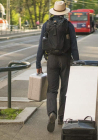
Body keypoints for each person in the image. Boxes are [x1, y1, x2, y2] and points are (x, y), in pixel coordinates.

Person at [36, 1, 79, 133]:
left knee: (52, 90)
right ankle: (61, 117)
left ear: (53, 11)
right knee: (65, 89)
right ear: (64, 12)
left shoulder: (46, 25)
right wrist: (77, 63)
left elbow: (41, 45)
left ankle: (51, 113)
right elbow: (74, 46)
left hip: (52, 60)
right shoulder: (69, 25)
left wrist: (38, 63)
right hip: (65, 60)